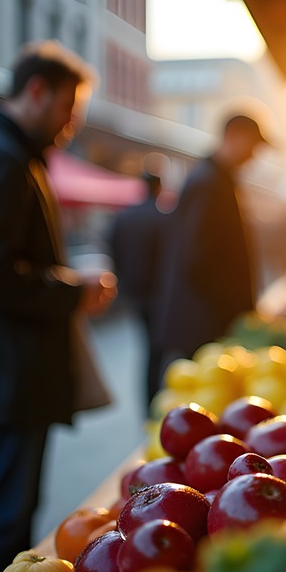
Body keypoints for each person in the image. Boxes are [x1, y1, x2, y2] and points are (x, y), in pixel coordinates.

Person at [0, 41, 118, 572]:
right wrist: (71, 290)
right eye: (68, 109)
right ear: (36, 91)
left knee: (6, 511)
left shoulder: (3, 154)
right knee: (2, 516)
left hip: (1, 371)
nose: (70, 125)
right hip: (2, 375)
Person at [151, 114, 269, 374]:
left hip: (206, 321)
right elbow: (196, 257)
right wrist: (232, 309)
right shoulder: (209, 182)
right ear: (235, 137)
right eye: (253, 145)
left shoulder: (216, 179)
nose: (254, 155)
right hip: (203, 324)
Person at [108, 172, 166, 409]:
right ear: (159, 187)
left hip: (134, 294)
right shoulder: (163, 217)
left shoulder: (124, 217)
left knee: (149, 348)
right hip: (159, 295)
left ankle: (150, 401)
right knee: (156, 351)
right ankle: (155, 400)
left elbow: (112, 251)